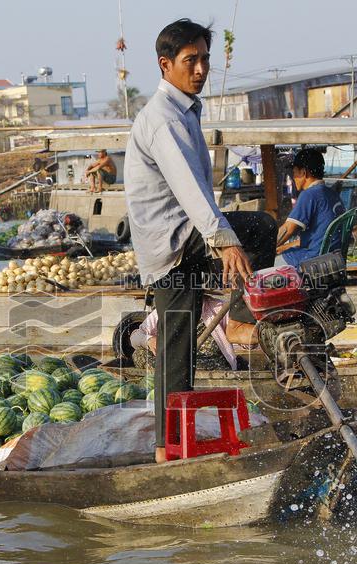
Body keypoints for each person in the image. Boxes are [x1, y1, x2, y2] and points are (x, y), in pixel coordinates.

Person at [126, 18, 274, 464]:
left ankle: (166, 450)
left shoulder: (185, 111)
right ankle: (243, 315)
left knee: (177, 348)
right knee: (261, 229)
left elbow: (200, 193)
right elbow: (191, 191)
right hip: (175, 242)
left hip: (181, 240)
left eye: (205, 59)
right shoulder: (163, 119)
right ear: (165, 64)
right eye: (191, 60)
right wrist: (224, 241)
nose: (201, 69)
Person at [275, 147, 346, 267]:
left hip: (314, 260)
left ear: (303, 172)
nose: (294, 178)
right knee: (282, 252)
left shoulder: (309, 194)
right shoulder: (331, 194)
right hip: (333, 256)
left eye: (295, 173)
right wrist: (283, 247)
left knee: (265, 264)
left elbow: (288, 229)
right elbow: (318, 237)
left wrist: (265, 246)